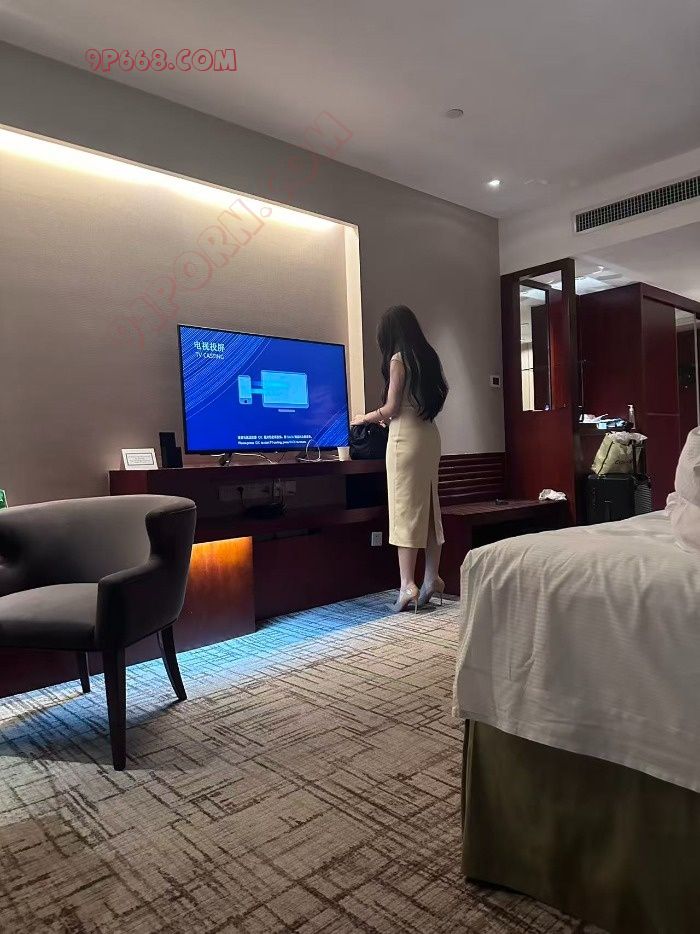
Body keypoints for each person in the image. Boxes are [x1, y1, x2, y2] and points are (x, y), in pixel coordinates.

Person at [352, 305, 448, 612]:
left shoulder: (398, 359)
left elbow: (392, 407)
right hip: (429, 435)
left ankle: (408, 584)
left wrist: (364, 418)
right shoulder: (427, 356)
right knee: (430, 508)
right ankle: (432, 577)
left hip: (405, 438)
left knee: (405, 508)